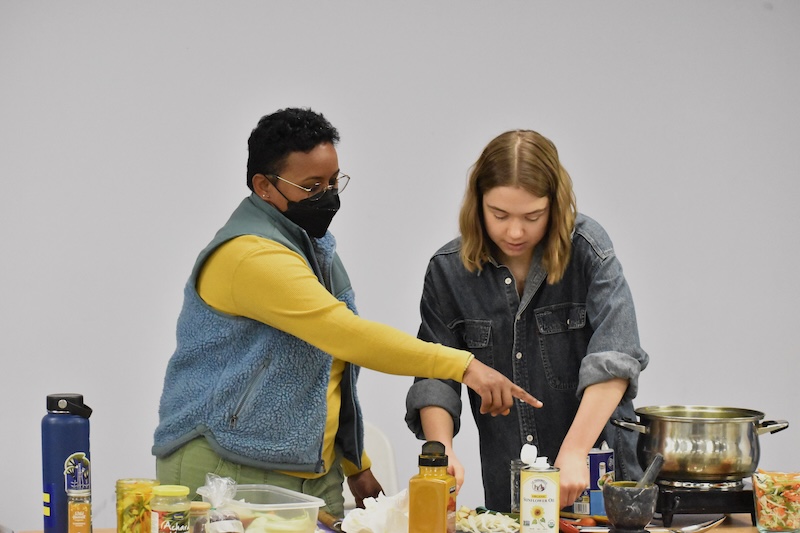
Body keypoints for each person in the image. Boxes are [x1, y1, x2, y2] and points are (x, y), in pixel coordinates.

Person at [152, 108, 541, 518]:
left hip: (310, 473)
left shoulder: (313, 249)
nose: (329, 194)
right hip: (224, 466)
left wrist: (357, 464)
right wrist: (465, 366)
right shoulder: (250, 256)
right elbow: (347, 336)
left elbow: (329, 368)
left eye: (334, 180)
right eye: (311, 185)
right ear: (264, 187)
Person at [405, 129, 649, 512]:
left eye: (532, 216)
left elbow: (615, 358)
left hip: (601, 476)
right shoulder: (448, 271)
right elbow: (435, 370)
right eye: (499, 215)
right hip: (510, 490)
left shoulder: (588, 251)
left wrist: (574, 452)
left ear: (555, 205)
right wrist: (442, 451)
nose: (515, 231)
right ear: (477, 204)